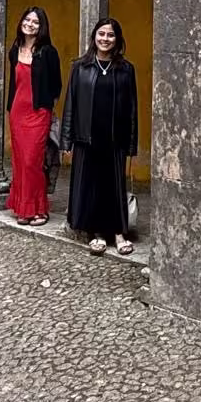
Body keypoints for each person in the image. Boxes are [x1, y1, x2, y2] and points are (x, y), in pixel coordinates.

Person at [61, 17, 138, 256]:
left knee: (114, 186)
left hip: (115, 138)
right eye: (101, 34)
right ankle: (96, 233)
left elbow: (132, 108)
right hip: (87, 137)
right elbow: (70, 104)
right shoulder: (80, 67)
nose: (105, 39)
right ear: (94, 36)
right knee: (91, 185)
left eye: (111, 35)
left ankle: (118, 232)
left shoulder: (126, 69)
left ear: (118, 40)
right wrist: (67, 139)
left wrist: (132, 142)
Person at [6, 6, 62, 227]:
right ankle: (23, 208)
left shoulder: (48, 52)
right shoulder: (15, 49)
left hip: (38, 113)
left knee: (33, 162)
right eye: (27, 20)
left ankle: (39, 209)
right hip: (17, 113)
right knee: (20, 161)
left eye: (35, 22)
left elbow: (56, 85)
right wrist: (11, 108)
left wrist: (47, 110)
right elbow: (15, 82)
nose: (30, 24)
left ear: (42, 27)